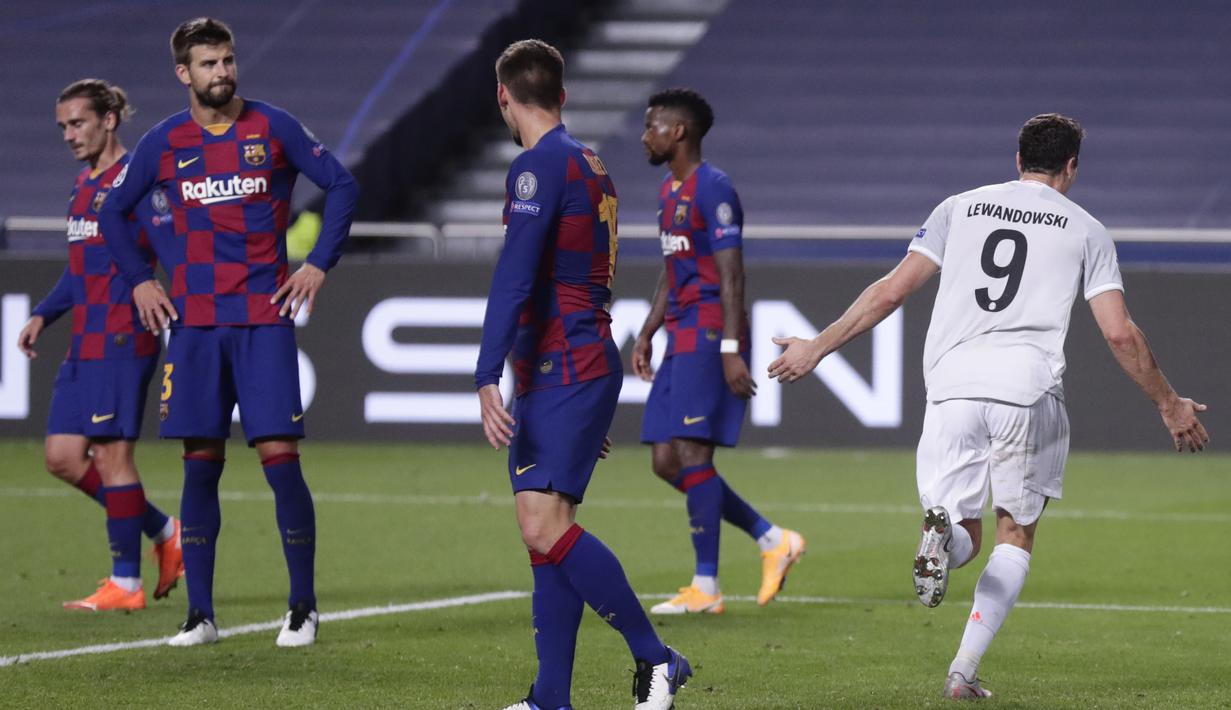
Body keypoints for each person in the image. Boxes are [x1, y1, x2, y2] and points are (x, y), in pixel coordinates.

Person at [768, 113, 1208, 699]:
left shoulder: (958, 207)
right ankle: (962, 671)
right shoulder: (1086, 230)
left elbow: (892, 290)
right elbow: (1120, 334)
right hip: (1025, 388)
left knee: (962, 529)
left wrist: (818, 346)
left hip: (950, 384)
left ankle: (941, 543)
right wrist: (1169, 403)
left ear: (1016, 157)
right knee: (1014, 532)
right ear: (1072, 166)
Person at [98, 17, 358, 647]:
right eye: (208, 64)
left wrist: (319, 263)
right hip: (193, 330)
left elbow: (342, 184)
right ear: (184, 73)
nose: (223, 72)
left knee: (280, 462)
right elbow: (112, 208)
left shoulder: (273, 126)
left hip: (262, 323)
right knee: (198, 468)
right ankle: (202, 615)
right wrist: (140, 279)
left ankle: (302, 607)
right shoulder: (164, 142)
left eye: (228, 60)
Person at [476, 39, 690, 710]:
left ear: (504, 97)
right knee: (546, 529)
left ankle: (657, 658)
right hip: (578, 360)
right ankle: (550, 698)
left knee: (542, 527)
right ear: (562, 96)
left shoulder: (537, 168)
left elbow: (516, 278)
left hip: (561, 361)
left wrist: (487, 373)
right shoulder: (591, 164)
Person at [633, 88, 804, 615]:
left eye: (653, 126)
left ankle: (705, 587)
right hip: (680, 331)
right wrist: (646, 331)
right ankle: (772, 539)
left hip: (710, 331)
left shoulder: (715, 189)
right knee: (666, 460)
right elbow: (671, 268)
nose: (645, 136)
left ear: (678, 132)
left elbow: (733, 273)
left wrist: (732, 348)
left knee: (692, 453)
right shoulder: (668, 191)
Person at [18, 79, 183, 612]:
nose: (69, 134)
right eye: (63, 126)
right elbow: (79, 269)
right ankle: (163, 529)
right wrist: (44, 314)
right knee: (63, 457)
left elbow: (172, 248)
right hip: (84, 339)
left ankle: (126, 584)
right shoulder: (82, 185)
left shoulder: (138, 183)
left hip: (123, 334)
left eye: (78, 122)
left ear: (109, 119)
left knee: (113, 457)